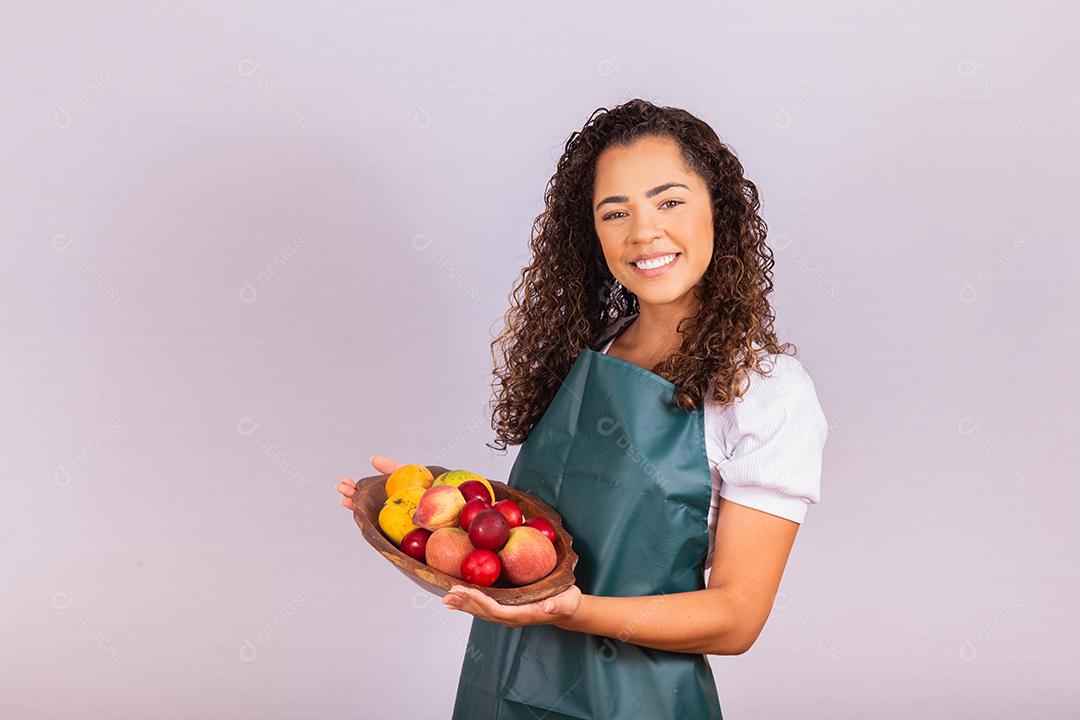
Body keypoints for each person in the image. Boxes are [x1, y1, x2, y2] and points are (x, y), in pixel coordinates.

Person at [336, 98, 828, 719]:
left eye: (669, 201)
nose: (644, 232)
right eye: (614, 212)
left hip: (637, 702)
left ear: (719, 211)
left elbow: (735, 619)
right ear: (592, 233)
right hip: (503, 687)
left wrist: (573, 611)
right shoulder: (594, 349)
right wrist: (438, 508)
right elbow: (541, 528)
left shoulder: (763, 390)